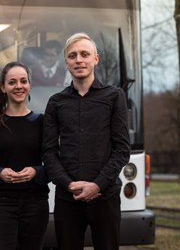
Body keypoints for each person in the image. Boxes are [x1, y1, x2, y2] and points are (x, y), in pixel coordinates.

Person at [42, 33, 131, 250]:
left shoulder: (114, 97)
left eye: (84, 54)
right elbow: (49, 152)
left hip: (105, 197)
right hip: (67, 199)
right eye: (72, 56)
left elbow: (122, 149)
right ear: (66, 63)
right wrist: (68, 184)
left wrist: (97, 185)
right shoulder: (56, 102)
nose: (78, 60)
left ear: (96, 59)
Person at [0, 61, 50, 250]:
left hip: (36, 203)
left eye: (23, 81)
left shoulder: (42, 122)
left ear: (29, 85)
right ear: (3, 87)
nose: (18, 86)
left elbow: (53, 165)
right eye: (12, 82)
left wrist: (36, 172)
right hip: (2, 204)